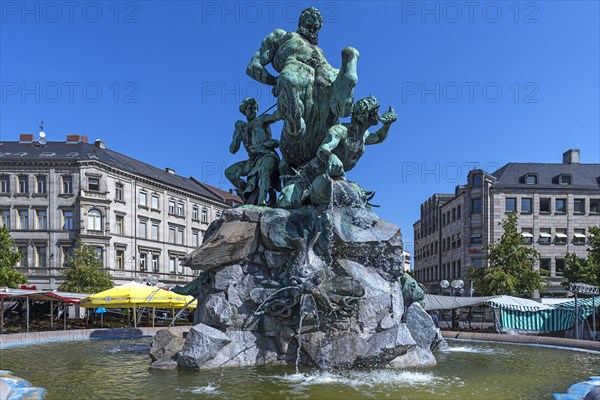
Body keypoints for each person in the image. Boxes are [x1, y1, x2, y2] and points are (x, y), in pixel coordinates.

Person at [246, 7, 359, 171]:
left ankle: (347, 84)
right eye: (309, 25)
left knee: (346, 70)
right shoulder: (282, 36)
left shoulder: (320, 51)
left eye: (316, 28)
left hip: (324, 93)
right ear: (300, 22)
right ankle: (295, 124)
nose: (313, 30)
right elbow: (252, 67)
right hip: (296, 82)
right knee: (289, 76)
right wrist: (275, 80)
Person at [278, 96, 397, 208]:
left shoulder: (363, 136)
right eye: (376, 112)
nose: (379, 115)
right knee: (286, 202)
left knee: (358, 197)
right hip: (309, 177)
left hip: (335, 180)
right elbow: (323, 149)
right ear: (365, 115)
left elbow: (378, 137)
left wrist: (387, 125)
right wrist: (331, 156)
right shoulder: (340, 130)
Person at [225, 98, 281, 205]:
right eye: (250, 109)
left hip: (267, 155)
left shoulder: (262, 120)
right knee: (229, 172)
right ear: (244, 111)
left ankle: (262, 200)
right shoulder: (242, 128)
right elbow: (233, 150)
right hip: (253, 160)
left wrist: (284, 106)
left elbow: (276, 116)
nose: (253, 111)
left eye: (255, 109)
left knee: (264, 170)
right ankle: (249, 191)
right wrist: (238, 134)